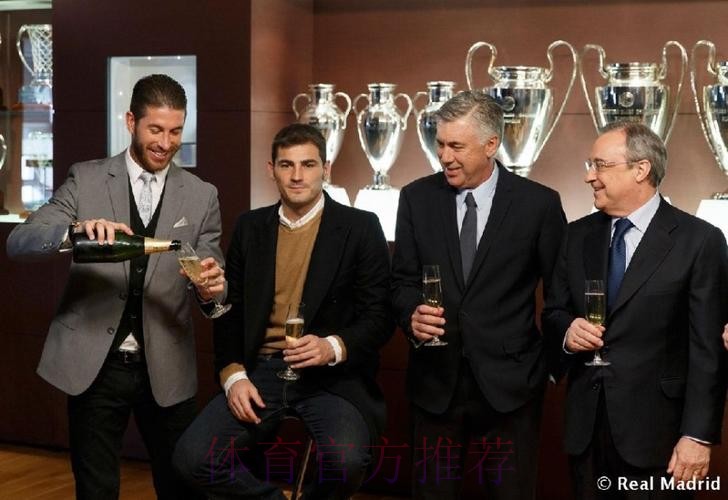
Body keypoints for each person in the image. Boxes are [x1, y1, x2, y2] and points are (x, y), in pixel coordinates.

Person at [6, 74, 225, 500]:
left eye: (176, 131)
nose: (166, 143)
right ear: (130, 122)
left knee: (181, 487)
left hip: (167, 367)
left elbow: (214, 281)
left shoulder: (202, 196)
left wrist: (211, 288)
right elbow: (21, 241)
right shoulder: (86, 179)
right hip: (95, 366)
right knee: (97, 490)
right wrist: (75, 230)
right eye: (155, 129)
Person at [172, 123, 393, 499]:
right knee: (192, 460)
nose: (297, 176)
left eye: (308, 164)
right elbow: (230, 312)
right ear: (271, 169)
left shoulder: (361, 227)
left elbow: (380, 317)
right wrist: (233, 375)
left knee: (347, 463)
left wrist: (331, 346)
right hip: (262, 372)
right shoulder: (250, 227)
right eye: (286, 165)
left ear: (326, 169)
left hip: (332, 379)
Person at [391, 90, 567, 499]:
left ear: (491, 145)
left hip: (512, 388)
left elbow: (561, 293)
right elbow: (400, 283)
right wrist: (411, 316)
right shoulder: (416, 198)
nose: (445, 156)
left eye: (457, 146)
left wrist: (549, 367)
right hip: (435, 383)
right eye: (440, 144)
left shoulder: (538, 204)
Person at [543, 121, 728, 499]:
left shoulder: (699, 241)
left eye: (600, 165)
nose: (589, 176)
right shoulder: (576, 235)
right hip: (587, 433)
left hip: (661, 439)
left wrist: (698, 436)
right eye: (589, 165)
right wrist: (567, 332)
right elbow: (553, 312)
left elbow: (708, 350)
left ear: (641, 169)